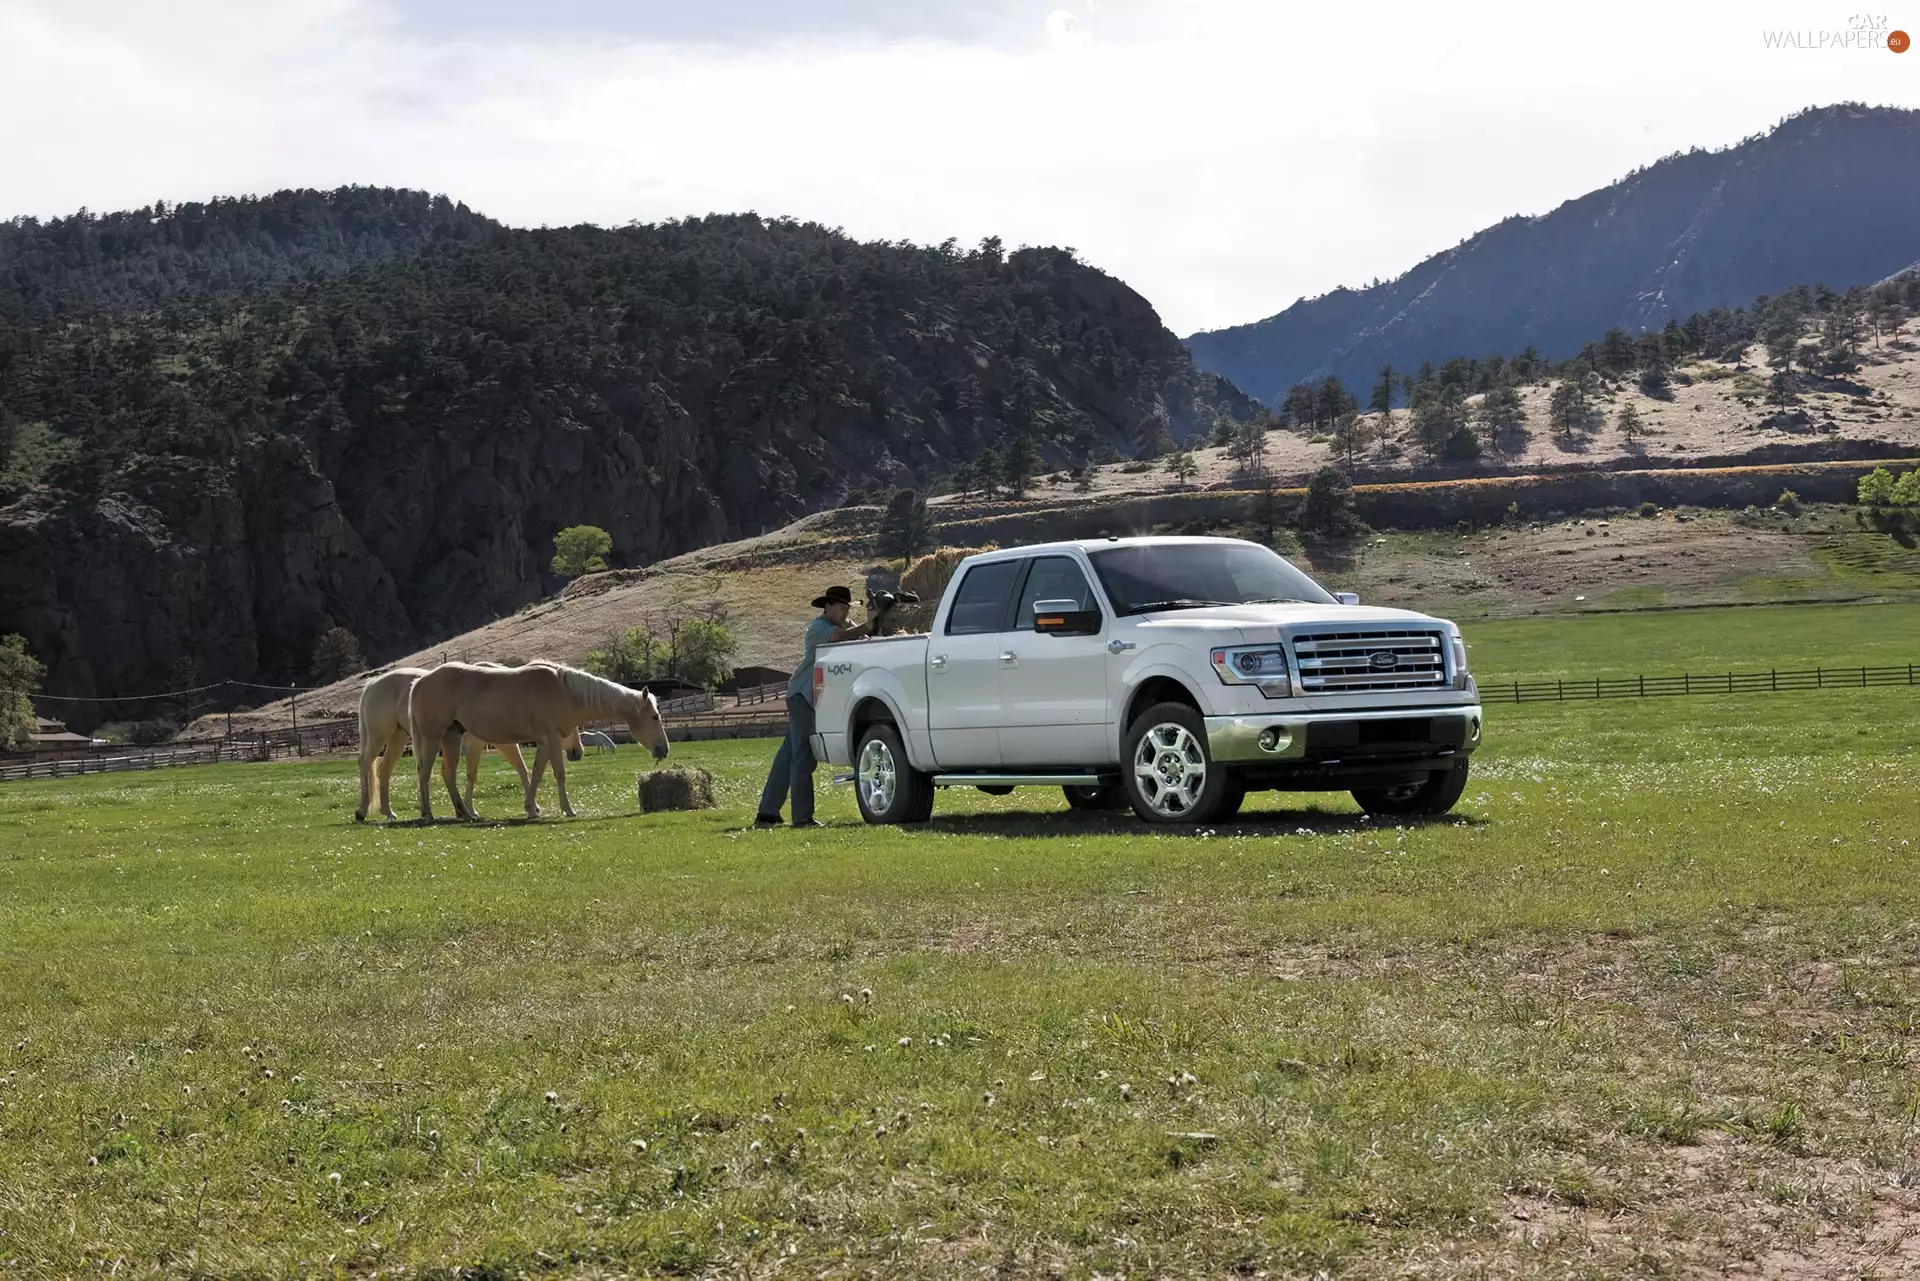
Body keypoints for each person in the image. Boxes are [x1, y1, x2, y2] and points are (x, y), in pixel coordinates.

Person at [754, 585, 887, 828]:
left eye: (848, 607)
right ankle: (802, 818)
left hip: (807, 698)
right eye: (841, 606)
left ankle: (768, 812)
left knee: (788, 756)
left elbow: (863, 637)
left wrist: (873, 623)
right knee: (804, 757)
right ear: (828, 607)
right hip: (802, 697)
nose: (846, 611)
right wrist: (869, 622)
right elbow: (839, 638)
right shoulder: (818, 628)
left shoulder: (843, 625)